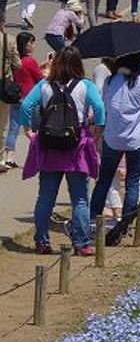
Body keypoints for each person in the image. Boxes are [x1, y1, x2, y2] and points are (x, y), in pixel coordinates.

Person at [20, 46, 105, 256]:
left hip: (49, 146)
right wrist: (97, 130)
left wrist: (27, 128)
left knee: (45, 197)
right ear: (78, 64)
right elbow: (100, 108)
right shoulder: (85, 85)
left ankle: (42, 242)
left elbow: (25, 106)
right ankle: (81, 243)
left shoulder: (44, 85)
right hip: (77, 145)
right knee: (80, 198)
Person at [89, 53, 140, 244]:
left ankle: (93, 220)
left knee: (104, 179)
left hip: (112, 138)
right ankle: (124, 226)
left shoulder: (109, 81)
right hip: (136, 139)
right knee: (132, 182)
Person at [3, 31, 44, 170]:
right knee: (35, 127)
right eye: (31, 42)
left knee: (13, 129)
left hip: (15, 97)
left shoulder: (15, 61)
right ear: (25, 45)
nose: (33, 45)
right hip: (30, 99)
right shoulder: (30, 61)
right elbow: (40, 79)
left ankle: (8, 158)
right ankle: (38, 157)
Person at [0, 26, 20, 174]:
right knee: (1, 125)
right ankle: (1, 159)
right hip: (3, 86)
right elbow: (17, 64)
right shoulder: (9, 40)